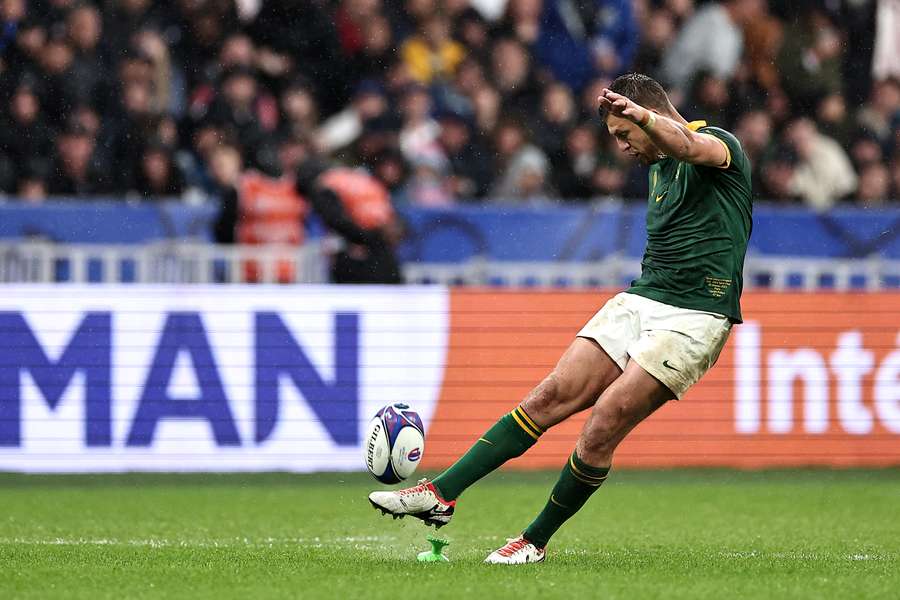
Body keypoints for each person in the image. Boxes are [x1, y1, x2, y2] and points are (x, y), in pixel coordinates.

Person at [368, 73, 753, 564]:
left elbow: (689, 146)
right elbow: (668, 148)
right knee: (550, 395)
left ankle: (533, 541)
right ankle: (440, 494)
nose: (623, 146)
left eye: (623, 134)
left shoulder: (719, 146)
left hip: (697, 314)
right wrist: (642, 127)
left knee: (603, 422)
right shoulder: (657, 167)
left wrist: (646, 119)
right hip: (643, 298)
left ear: (646, 113)